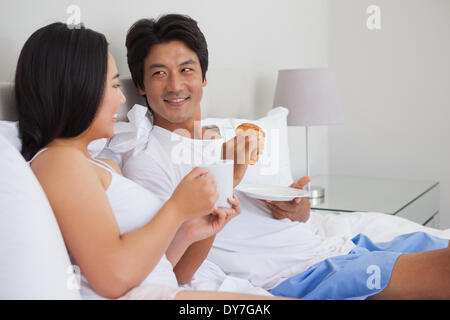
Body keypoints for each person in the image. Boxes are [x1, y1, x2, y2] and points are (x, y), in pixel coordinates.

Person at [117, 14, 450, 299]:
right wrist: (227, 182)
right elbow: (172, 268)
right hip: (297, 277)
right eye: (159, 73)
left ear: (204, 78)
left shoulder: (232, 138)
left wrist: (297, 209)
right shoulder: (148, 160)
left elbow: (282, 213)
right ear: (142, 86)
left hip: (339, 248)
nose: (175, 85)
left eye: (186, 69)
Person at [15, 21, 291, 300]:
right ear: (77, 88)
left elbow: (163, 272)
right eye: (113, 85)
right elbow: (113, 279)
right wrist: (176, 208)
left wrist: (190, 230)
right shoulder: (59, 161)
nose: (122, 97)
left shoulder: (97, 165)